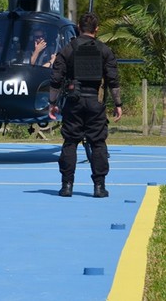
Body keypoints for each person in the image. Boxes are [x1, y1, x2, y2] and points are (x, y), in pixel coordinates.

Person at [48, 12, 122, 198]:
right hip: (94, 103)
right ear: (97, 30)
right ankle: (99, 187)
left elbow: (56, 78)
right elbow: (113, 80)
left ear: (79, 28)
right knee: (97, 143)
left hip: (73, 103)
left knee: (70, 142)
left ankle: (67, 186)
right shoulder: (105, 51)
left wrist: (52, 103)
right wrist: (118, 104)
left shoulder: (68, 49)